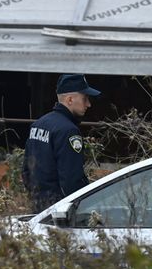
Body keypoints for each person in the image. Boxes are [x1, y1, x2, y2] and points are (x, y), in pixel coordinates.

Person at [22, 73, 100, 212]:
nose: (89, 104)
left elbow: (27, 172)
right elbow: (71, 181)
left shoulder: (38, 124)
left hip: (38, 209)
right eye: (85, 98)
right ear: (70, 99)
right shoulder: (68, 130)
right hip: (60, 213)